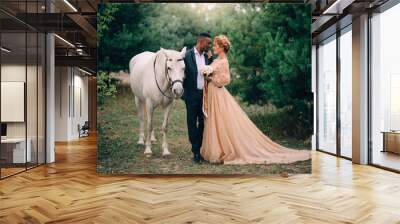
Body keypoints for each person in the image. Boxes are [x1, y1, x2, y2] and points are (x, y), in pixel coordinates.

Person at [200, 35, 311, 164]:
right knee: (215, 120)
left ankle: (225, 150)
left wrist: (211, 78)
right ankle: (218, 149)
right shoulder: (217, 59)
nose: (213, 47)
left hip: (218, 93)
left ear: (221, 47)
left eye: (215, 45)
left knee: (221, 120)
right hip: (213, 93)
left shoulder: (224, 61)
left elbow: (226, 80)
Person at [182, 32, 213, 163]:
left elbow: (210, 71)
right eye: (208, 43)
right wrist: (184, 94)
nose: (209, 45)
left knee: (203, 123)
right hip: (191, 95)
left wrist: (211, 60)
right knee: (191, 123)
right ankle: (195, 151)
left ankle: (199, 149)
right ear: (201, 42)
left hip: (204, 95)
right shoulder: (187, 55)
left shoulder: (207, 57)